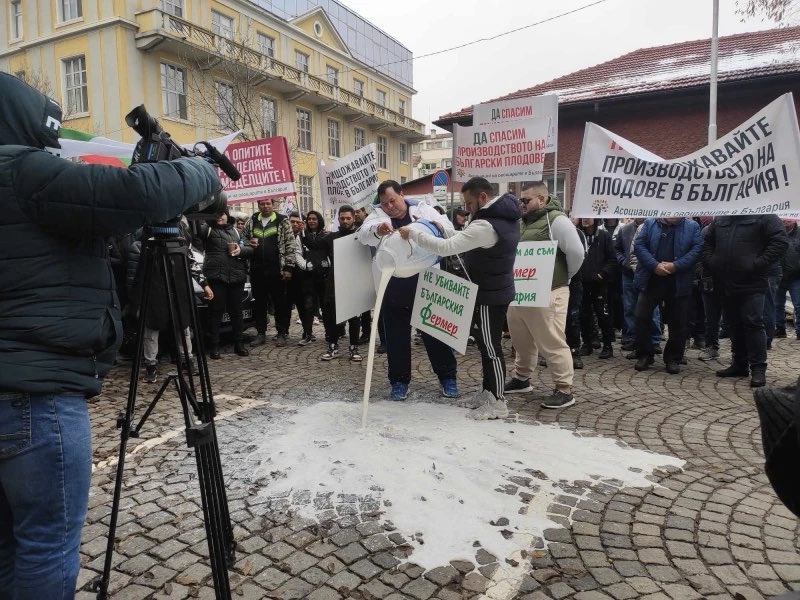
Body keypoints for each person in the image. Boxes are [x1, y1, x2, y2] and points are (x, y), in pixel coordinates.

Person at [0, 72, 220, 599]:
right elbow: (134, 193)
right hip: (36, 393)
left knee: (10, 543)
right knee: (47, 544)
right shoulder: (20, 170)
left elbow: (94, 212)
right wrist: (200, 170)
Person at [400, 177, 520, 419]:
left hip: (490, 294)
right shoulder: (498, 219)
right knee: (488, 346)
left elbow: (447, 248)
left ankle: (497, 401)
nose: (466, 208)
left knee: (491, 348)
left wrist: (414, 233)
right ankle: (487, 391)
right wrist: (444, 228)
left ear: (483, 197)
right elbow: (464, 237)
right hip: (492, 290)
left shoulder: (486, 226)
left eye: (469, 202)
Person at [358, 180, 457, 400]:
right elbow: (363, 235)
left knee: (435, 333)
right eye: (385, 203)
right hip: (394, 285)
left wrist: (426, 227)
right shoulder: (376, 216)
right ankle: (399, 382)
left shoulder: (423, 208)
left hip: (427, 282)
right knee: (396, 338)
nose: (389, 206)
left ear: (402, 194)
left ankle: (448, 377)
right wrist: (377, 230)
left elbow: (449, 230)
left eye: (392, 200)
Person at [505, 182, 585, 409]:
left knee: (551, 340)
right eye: (521, 200)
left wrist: (562, 278)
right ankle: (522, 378)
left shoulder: (557, 221)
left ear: (542, 199)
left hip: (549, 291)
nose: (522, 204)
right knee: (521, 338)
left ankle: (564, 388)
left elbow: (577, 253)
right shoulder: (522, 223)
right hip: (521, 291)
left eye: (526, 200)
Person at [701, 214, 788, 387]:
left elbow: (779, 242)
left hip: (752, 281)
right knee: (733, 323)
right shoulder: (721, 218)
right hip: (725, 281)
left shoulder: (765, 215)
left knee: (753, 322)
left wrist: (757, 264)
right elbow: (707, 243)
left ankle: (758, 368)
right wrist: (712, 262)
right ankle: (739, 363)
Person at [631, 217, 702, 374]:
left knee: (678, 322)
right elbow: (640, 245)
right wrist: (654, 265)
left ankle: (673, 358)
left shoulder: (692, 226)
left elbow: (696, 250)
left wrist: (676, 266)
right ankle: (645, 354)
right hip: (651, 279)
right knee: (641, 316)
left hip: (678, 281)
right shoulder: (650, 223)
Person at [309, 206, 363, 361]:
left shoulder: (361, 235)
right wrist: (308, 230)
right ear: (338, 218)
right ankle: (333, 346)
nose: (345, 221)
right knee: (332, 316)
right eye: (342, 218)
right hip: (335, 282)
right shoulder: (332, 237)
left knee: (354, 316)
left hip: (354, 281)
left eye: (348, 218)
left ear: (354, 217)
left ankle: (354, 347)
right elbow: (314, 246)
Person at [243, 198, 295, 347]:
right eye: (262, 204)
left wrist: (289, 268)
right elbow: (241, 237)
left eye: (268, 204)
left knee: (280, 303)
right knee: (259, 303)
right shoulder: (252, 220)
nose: (265, 206)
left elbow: (290, 244)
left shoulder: (282, 220)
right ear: (258, 205)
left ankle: (281, 333)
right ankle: (260, 333)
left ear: (273, 204)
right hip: (257, 269)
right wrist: (248, 243)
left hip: (277, 269)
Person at [201, 205, 252, 359]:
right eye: (216, 214)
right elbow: (198, 233)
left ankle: (239, 344)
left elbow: (249, 248)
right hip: (217, 277)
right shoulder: (208, 229)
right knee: (215, 312)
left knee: (236, 313)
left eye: (222, 214)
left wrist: (240, 250)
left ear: (227, 215)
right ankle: (214, 346)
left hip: (236, 277)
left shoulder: (237, 231)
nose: (219, 217)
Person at [577, 218, 617, 358]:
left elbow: (612, 259)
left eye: (588, 216)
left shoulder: (604, 236)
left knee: (603, 314)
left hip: (599, 284)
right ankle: (587, 343)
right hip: (582, 283)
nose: (585, 219)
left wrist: (602, 275)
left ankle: (607, 345)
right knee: (583, 315)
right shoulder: (577, 235)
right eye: (583, 216)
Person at [775, 218, 800, 340]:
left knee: (798, 304)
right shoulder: (776, 232)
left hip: (796, 276)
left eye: (788, 219)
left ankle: (799, 331)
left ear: (794, 220)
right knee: (777, 304)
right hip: (779, 275)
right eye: (783, 219)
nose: (786, 221)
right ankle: (779, 329)